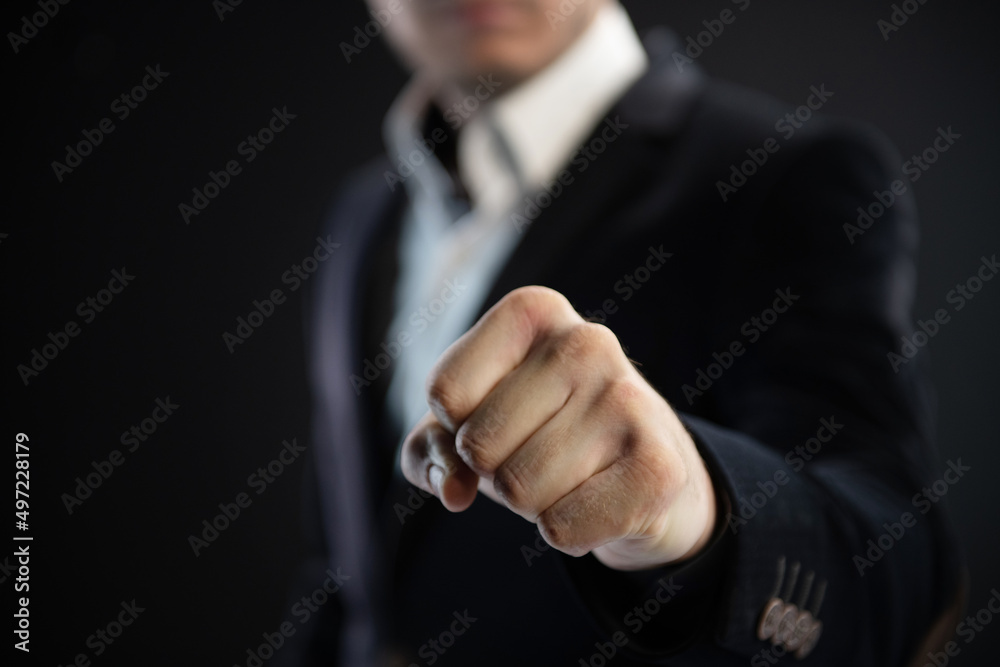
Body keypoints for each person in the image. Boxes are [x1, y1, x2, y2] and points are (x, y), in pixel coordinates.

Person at [291, 1, 964, 664]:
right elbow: (350, 574)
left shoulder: (784, 177)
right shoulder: (364, 215)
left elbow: (898, 579)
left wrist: (691, 501)